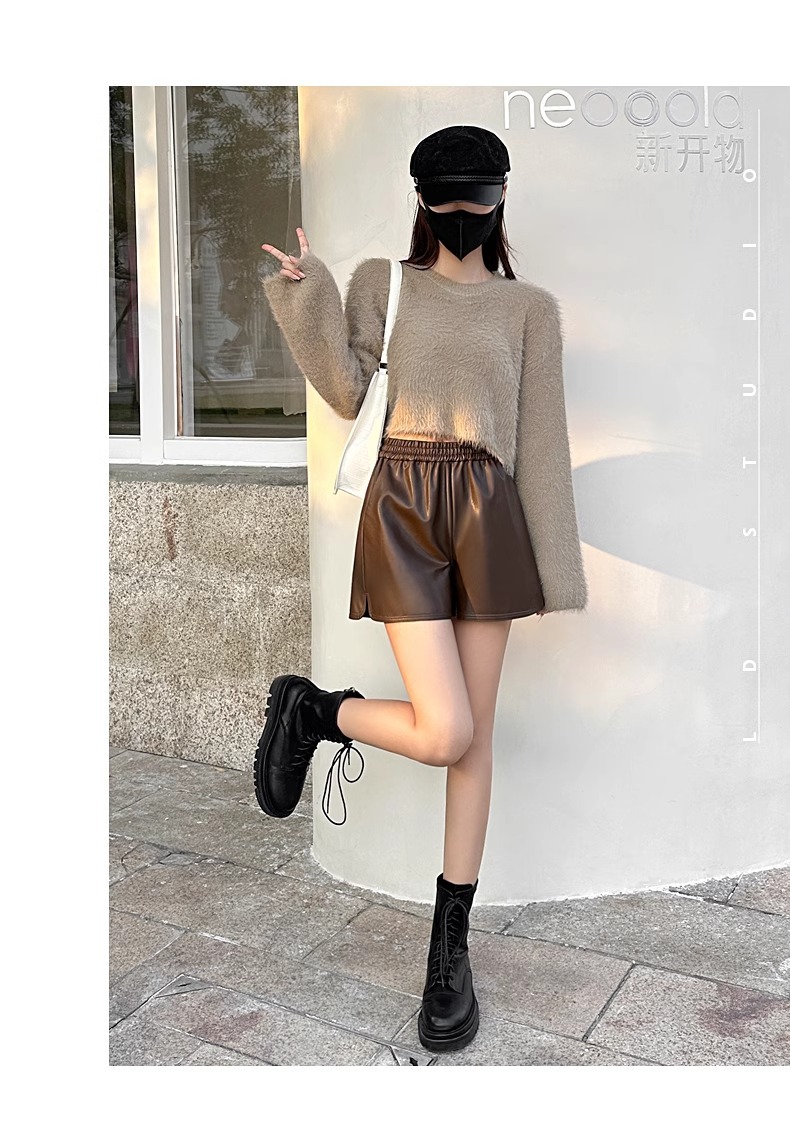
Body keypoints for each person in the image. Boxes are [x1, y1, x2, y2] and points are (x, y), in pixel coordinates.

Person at [254, 125, 588, 1054]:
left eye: (479, 196)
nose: (465, 214)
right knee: (444, 731)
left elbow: (542, 444)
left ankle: (450, 954)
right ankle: (316, 711)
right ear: (424, 202)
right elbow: (347, 391)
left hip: (488, 512)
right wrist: (309, 296)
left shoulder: (530, 309)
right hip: (403, 503)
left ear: (501, 200)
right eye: (449, 198)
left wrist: (553, 568)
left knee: (472, 739)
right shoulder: (384, 285)